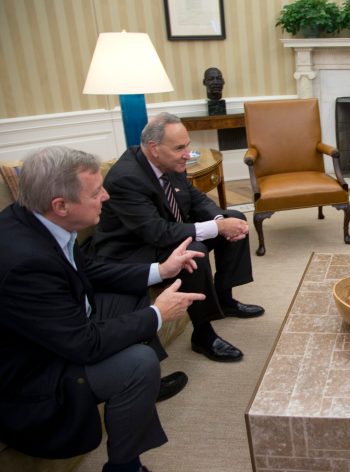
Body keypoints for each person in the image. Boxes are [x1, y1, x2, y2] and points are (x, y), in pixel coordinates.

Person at [0, 146, 205, 472]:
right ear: (60, 205)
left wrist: (161, 270)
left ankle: (140, 393)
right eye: (96, 192)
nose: (106, 197)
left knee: (133, 297)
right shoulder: (25, 263)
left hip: (61, 325)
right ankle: (125, 467)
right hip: (34, 374)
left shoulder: (33, 218)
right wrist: (158, 315)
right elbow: (83, 343)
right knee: (140, 362)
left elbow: (89, 270)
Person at [88, 112, 263, 364]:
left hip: (164, 233)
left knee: (235, 217)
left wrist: (219, 221)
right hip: (134, 248)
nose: (187, 153)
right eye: (180, 147)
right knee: (194, 250)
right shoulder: (127, 178)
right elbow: (157, 232)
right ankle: (203, 335)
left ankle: (225, 300)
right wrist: (217, 228)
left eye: (187, 145)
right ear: (153, 148)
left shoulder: (170, 163)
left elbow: (195, 199)